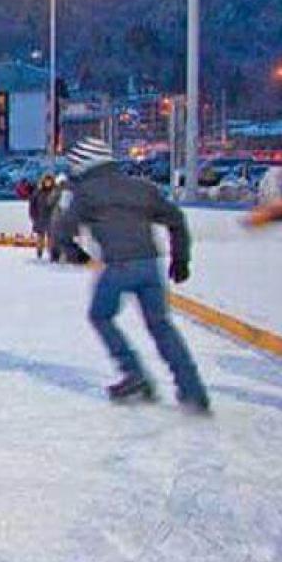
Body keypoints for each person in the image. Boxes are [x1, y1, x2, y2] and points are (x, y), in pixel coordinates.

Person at [52, 137, 210, 411]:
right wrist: (181, 259)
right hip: (150, 265)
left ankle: (134, 374)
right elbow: (176, 219)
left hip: (119, 266)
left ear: (83, 164)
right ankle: (192, 390)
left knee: (100, 315)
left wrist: (76, 254)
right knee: (161, 326)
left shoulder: (86, 192)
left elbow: (62, 230)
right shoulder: (140, 187)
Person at [28, 173, 58, 260]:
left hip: (52, 219)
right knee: (40, 237)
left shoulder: (55, 192)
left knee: (51, 238)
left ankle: (52, 255)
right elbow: (32, 205)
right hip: (40, 218)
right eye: (46, 181)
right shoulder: (38, 192)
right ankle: (39, 253)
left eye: (50, 181)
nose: (48, 182)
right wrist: (33, 216)